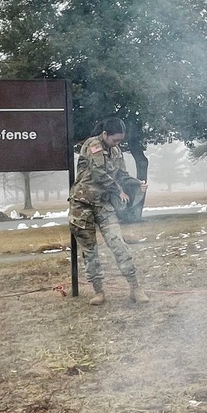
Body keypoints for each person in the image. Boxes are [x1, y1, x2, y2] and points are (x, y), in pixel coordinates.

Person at [69, 117, 149, 305]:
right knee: (90, 250)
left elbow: (121, 174)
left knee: (118, 243)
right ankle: (99, 292)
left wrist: (136, 184)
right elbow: (99, 174)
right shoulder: (93, 145)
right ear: (105, 134)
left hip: (104, 204)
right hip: (83, 204)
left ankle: (135, 288)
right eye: (115, 140)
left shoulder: (116, 151)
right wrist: (118, 189)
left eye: (120, 140)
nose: (117, 143)